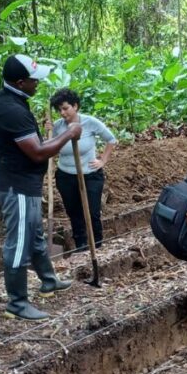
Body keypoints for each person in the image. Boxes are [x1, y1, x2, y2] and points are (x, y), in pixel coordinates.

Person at [0, 54, 82, 321]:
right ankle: (16, 302)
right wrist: (69, 134)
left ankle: (49, 280)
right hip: (16, 184)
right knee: (19, 243)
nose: (38, 84)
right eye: (34, 80)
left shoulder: (7, 99)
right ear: (20, 82)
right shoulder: (11, 109)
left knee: (35, 234)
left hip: (24, 181)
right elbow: (38, 153)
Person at [49, 88, 117, 252]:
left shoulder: (90, 122)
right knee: (75, 213)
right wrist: (49, 132)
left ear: (75, 106)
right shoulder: (57, 126)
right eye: (59, 110)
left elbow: (112, 139)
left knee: (92, 213)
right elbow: (50, 148)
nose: (62, 113)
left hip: (90, 175)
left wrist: (103, 160)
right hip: (66, 176)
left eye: (65, 108)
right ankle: (81, 247)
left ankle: (97, 246)